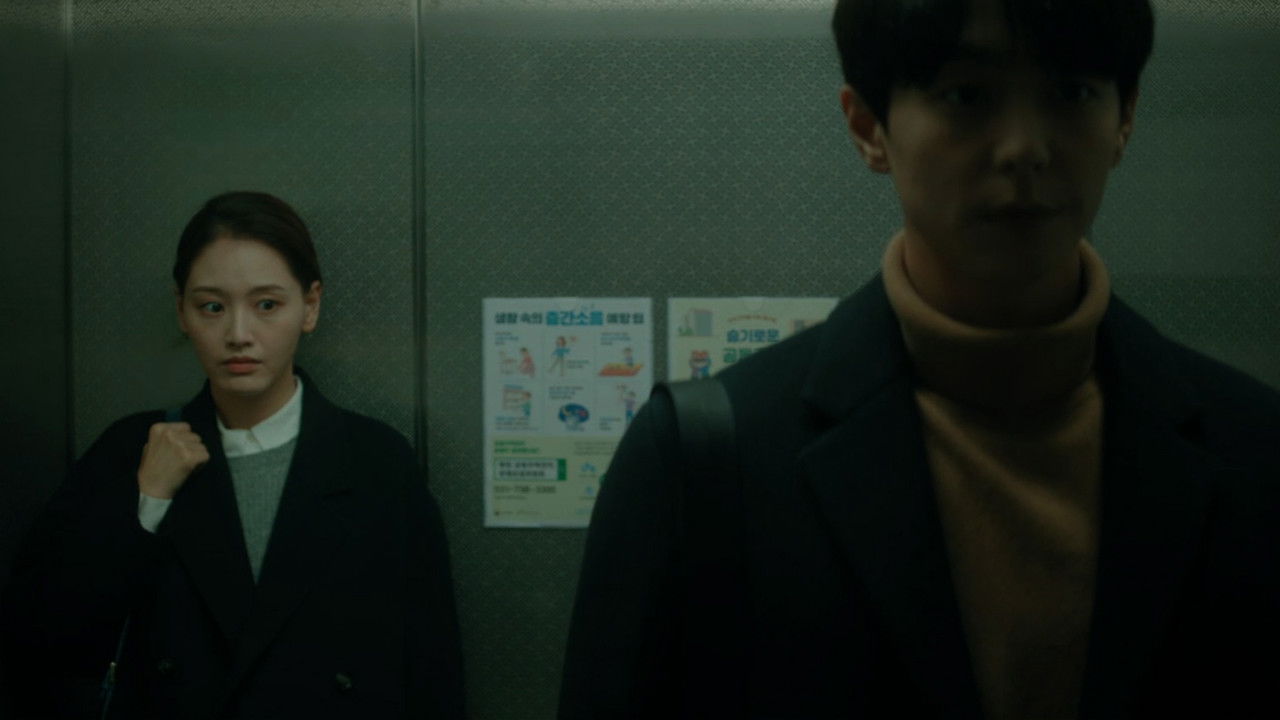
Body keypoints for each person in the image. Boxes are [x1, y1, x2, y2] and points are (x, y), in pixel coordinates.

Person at [559, 1, 1280, 718]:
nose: (1024, 149)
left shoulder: (1255, 451)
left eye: (1072, 92)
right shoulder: (702, 466)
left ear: (1124, 118)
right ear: (868, 127)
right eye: (966, 96)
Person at [2, 192, 465, 719]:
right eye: (212, 307)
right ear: (182, 310)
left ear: (310, 306)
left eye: (267, 305)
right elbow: (44, 635)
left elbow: (432, 666)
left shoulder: (376, 462)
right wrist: (147, 502)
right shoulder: (130, 450)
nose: (239, 335)